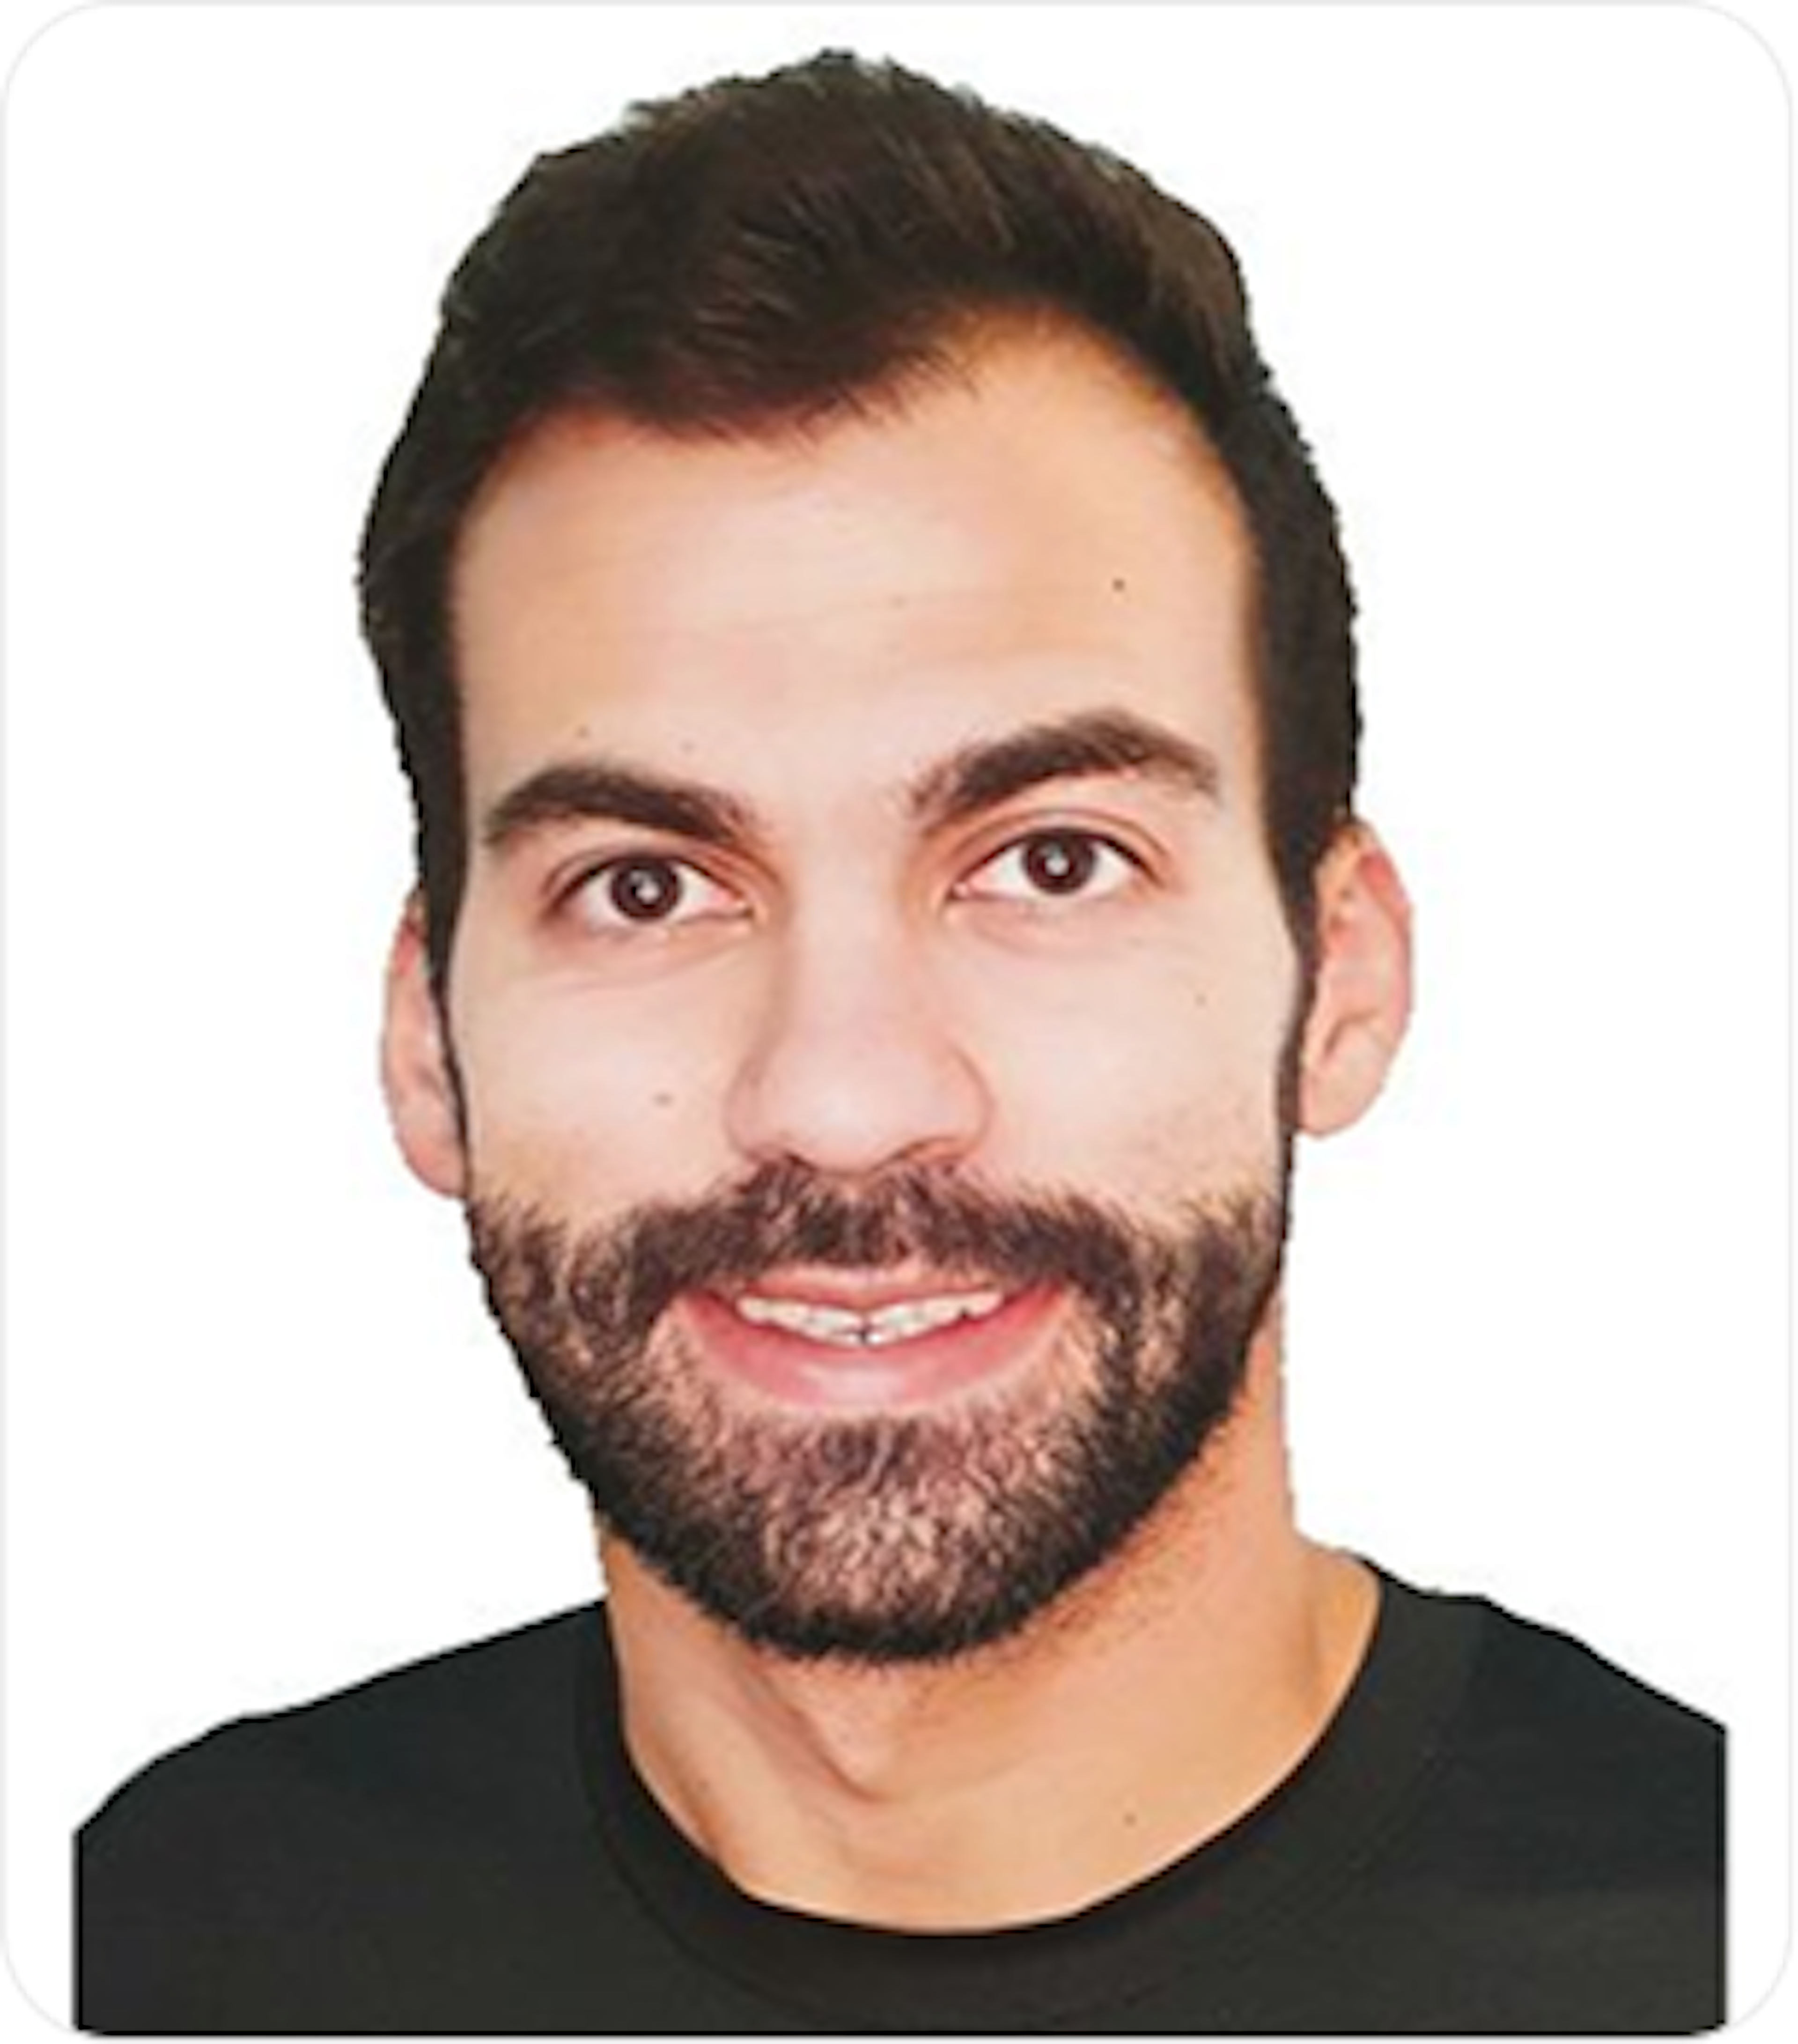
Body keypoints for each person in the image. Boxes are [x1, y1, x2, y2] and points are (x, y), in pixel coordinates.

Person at [75, 51, 1724, 2035]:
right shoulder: (158, 1947)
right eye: (646, 886)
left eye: (1050, 860)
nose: (845, 1098)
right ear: (429, 1040)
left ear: (1344, 977)